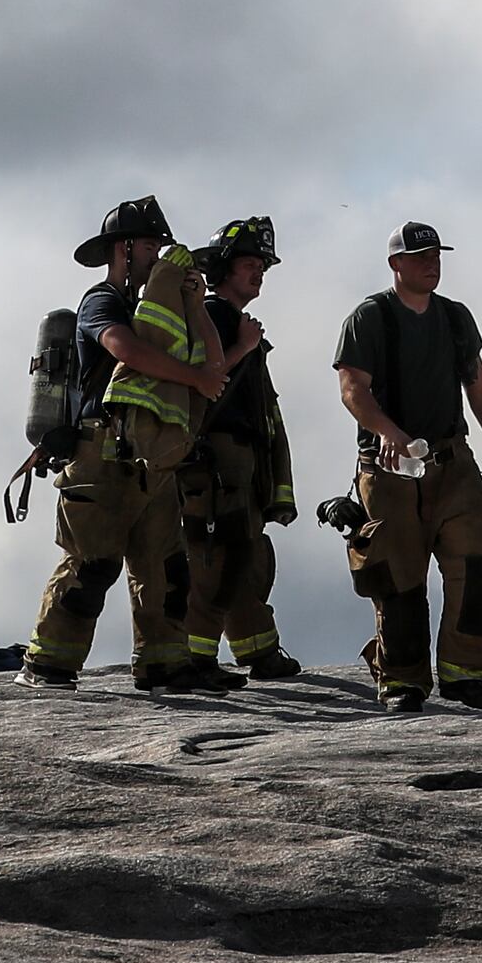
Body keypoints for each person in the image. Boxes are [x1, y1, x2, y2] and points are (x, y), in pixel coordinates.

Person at [20, 196, 248, 694]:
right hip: (99, 455)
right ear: (122, 248)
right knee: (91, 564)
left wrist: (192, 299)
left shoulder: (159, 303)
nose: (156, 254)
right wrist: (191, 376)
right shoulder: (101, 301)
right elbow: (124, 349)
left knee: (166, 567)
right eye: (149, 244)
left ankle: (165, 665)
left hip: (151, 459)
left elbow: (210, 362)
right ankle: (48, 664)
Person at [331, 220, 482, 713]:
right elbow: (353, 388)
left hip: (452, 461)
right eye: (420, 257)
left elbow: (480, 386)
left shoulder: (455, 318)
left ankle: (467, 675)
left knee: (481, 560)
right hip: (389, 469)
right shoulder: (369, 317)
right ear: (395, 264)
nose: (431, 264)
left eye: (436, 256)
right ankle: (402, 682)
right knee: (397, 576)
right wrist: (390, 433)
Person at [178, 216, 304, 684]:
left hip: (240, 463)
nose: (259, 274)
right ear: (225, 268)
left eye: (263, 267)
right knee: (216, 557)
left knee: (246, 556)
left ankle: (260, 652)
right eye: (251, 264)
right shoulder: (211, 317)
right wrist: (245, 347)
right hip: (213, 459)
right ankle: (194, 657)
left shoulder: (234, 321)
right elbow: (201, 385)